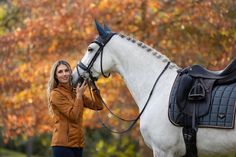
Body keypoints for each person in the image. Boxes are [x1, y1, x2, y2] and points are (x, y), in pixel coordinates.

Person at [47, 60, 103, 157]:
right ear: (56, 76)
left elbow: (98, 106)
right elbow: (73, 116)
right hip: (63, 145)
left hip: (78, 144)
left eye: (66, 70)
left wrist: (93, 86)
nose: (64, 74)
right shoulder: (56, 94)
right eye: (60, 72)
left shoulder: (75, 92)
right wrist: (79, 96)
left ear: (70, 72)